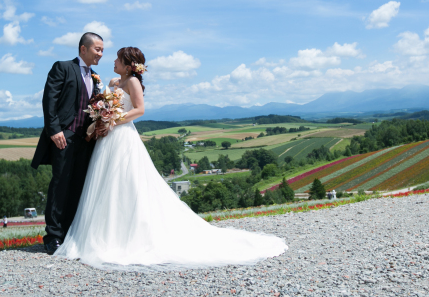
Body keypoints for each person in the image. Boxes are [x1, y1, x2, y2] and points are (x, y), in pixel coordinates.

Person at [55, 47, 286, 269]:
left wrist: (113, 119)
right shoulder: (115, 82)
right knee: (105, 183)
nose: (113, 61)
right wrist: (102, 116)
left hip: (122, 135)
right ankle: (103, 234)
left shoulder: (133, 82)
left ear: (127, 65)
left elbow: (140, 110)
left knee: (126, 181)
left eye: (117, 59)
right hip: (107, 138)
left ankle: (128, 234)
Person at [32, 32, 104, 255]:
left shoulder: (95, 77)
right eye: (97, 49)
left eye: (102, 50)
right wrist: (54, 130)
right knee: (60, 183)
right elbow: (49, 99)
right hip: (64, 136)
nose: (101, 54)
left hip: (86, 140)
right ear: (83, 49)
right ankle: (53, 236)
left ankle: (70, 234)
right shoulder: (62, 67)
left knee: (78, 186)